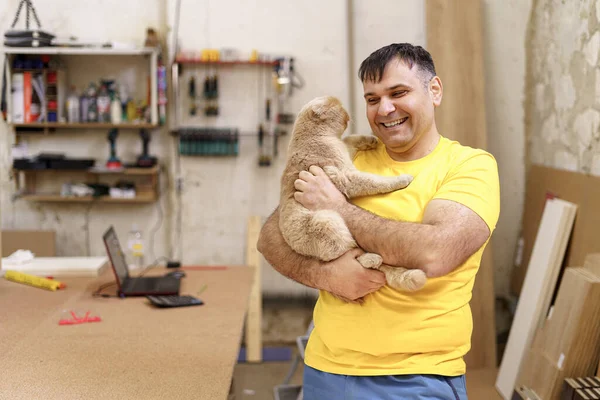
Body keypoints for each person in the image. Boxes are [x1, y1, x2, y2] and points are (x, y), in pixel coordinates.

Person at [257, 43, 500, 400]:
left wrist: (340, 208)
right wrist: (325, 275)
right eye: (372, 99)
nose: (385, 109)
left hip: (416, 377)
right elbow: (270, 237)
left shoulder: (469, 166)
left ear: (434, 91)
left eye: (398, 93)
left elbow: (436, 252)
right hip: (327, 370)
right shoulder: (351, 153)